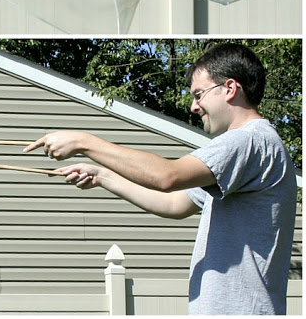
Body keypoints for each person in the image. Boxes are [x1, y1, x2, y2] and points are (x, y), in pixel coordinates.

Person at [24, 43, 297, 315]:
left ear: (229, 89)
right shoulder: (254, 147)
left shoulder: (247, 141)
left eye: (199, 95)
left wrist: (83, 141)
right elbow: (174, 204)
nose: (193, 106)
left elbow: (167, 176)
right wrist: (102, 175)